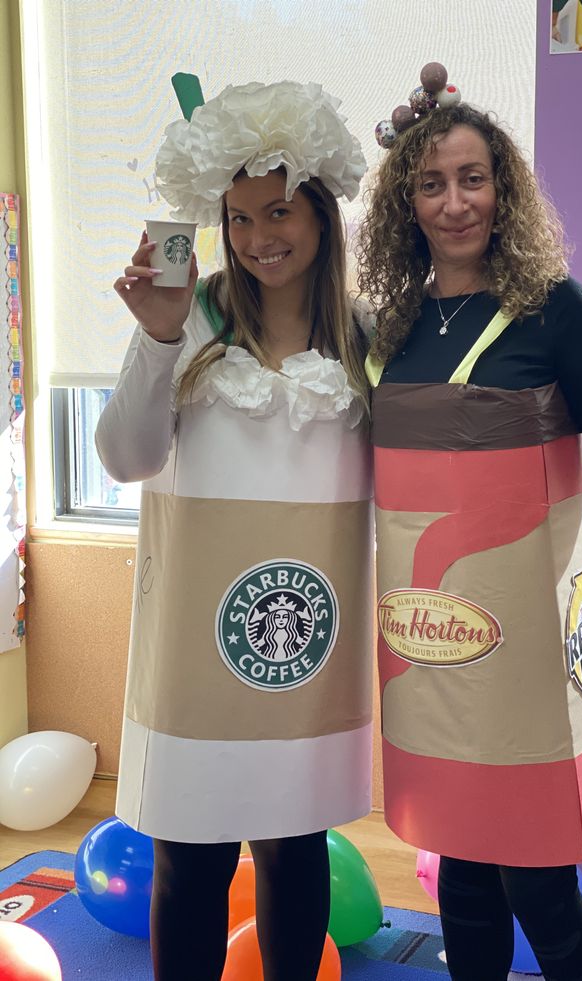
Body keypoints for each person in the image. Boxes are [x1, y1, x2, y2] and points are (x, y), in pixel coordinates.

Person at [357, 66, 582, 981]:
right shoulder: (386, 325)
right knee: (461, 876)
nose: (455, 201)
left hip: (526, 664)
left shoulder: (554, 309)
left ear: (502, 189)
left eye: (473, 178)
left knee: (539, 883)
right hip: (427, 651)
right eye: (431, 183)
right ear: (407, 202)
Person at [96, 78, 373, 981]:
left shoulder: (364, 337)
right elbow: (126, 456)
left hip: (305, 642)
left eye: (281, 211)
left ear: (322, 215)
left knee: (294, 855)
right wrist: (160, 336)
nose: (261, 238)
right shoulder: (192, 314)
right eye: (241, 217)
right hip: (193, 646)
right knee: (193, 859)